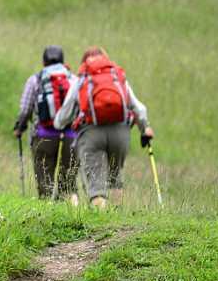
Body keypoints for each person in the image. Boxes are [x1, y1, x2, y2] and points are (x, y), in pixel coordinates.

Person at [54, 47, 154, 209]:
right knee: (115, 177)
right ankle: (117, 220)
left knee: (96, 185)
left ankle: (101, 217)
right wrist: (145, 129)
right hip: (120, 133)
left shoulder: (83, 80)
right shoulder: (117, 78)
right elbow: (139, 109)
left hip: (91, 133)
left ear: (84, 62)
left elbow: (63, 116)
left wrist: (60, 124)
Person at [14, 45, 79, 204]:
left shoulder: (35, 79)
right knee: (68, 181)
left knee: (44, 180)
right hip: (71, 136)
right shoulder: (74, 79)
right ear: (63, 61)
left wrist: (20, 127)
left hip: (44, 136)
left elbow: (25, 109)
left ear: (44, 62)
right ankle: (70, 210)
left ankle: (46, 213)